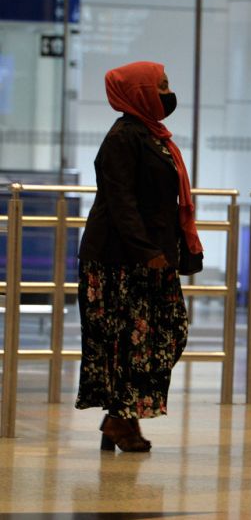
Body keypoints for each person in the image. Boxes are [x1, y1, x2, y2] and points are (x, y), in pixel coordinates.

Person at [76, 61, 203, 452]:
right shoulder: (123, 138)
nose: (167, 93)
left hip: (148, 257)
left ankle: (119, 419)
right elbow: (121, 203)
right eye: (160, 86)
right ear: (140, 92)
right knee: (130, 345)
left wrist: (177, 250)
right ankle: (122, 423)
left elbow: (163, 204)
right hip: (119, 261)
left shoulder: (152, 135)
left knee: (166, 335)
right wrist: (146, 252)